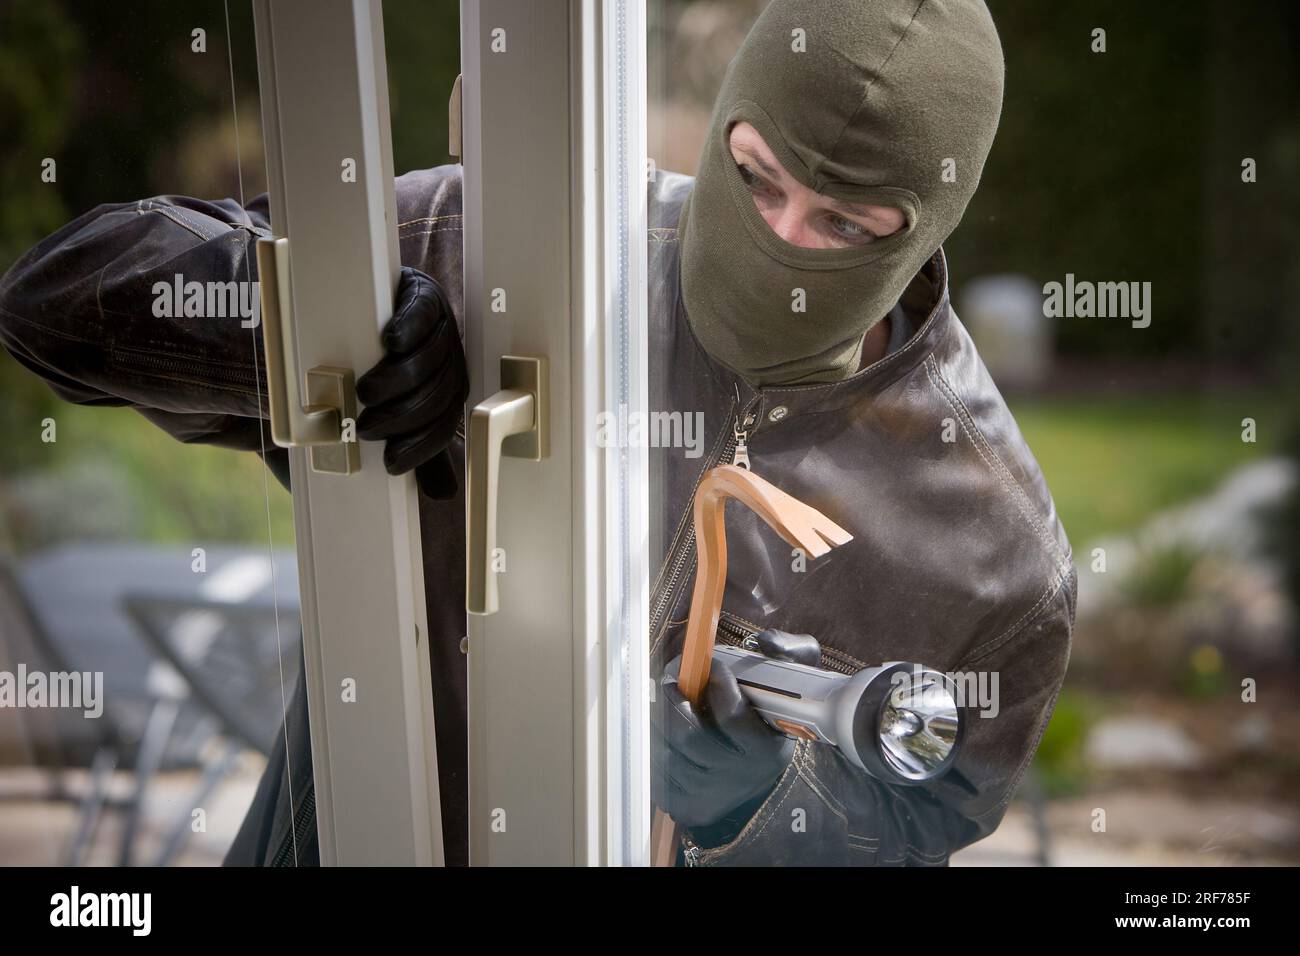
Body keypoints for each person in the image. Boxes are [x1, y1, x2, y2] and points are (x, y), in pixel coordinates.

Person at [0, 0, 1073, 866]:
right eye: (753, 177)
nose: (784, 243)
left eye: (845, 224)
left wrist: (762, 813)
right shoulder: (521, 248)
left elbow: (921, 827)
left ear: (924, 228)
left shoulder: (990, 552)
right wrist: (307, 321)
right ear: (721, 126)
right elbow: (52, 305)